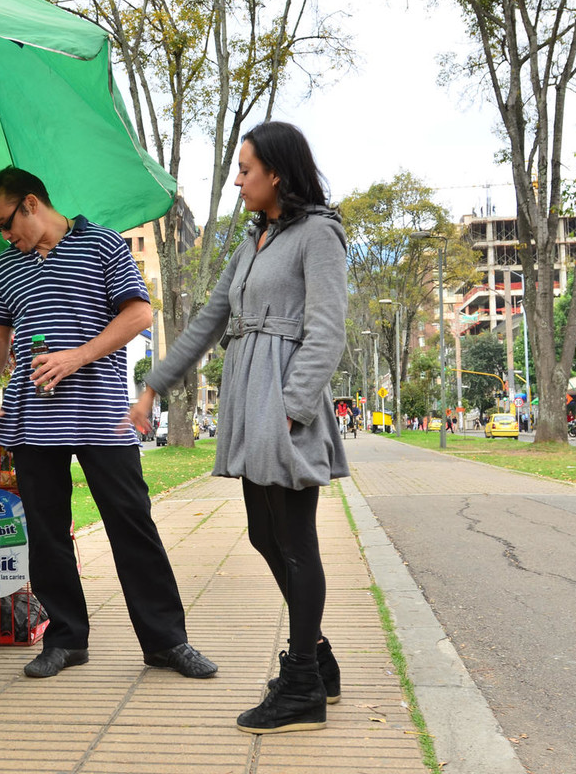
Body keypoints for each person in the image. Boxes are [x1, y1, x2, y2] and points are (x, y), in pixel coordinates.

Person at [130, 121, 347, 735]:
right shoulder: (253, 242)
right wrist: (155, 382)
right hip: (250, 397)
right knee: (262, 533)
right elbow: (207, 319)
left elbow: (327, 329)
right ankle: (320, 660)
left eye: (245, 168)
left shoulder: (319, 235)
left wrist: (291, 408)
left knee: (295, 539)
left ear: (276, 173)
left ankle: (302, 679)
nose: (237, 178)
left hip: (282, 399)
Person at [0, 166, 216, 682]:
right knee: (47, 532)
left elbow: (138, 315)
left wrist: (76, 357)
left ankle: (167, 642)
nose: (4, 234)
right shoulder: (4, 270)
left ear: (32, 203)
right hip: (33, 418)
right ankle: (65, 640)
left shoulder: (104, 245)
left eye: (5, 222)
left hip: (101, 414)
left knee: (132, 524)